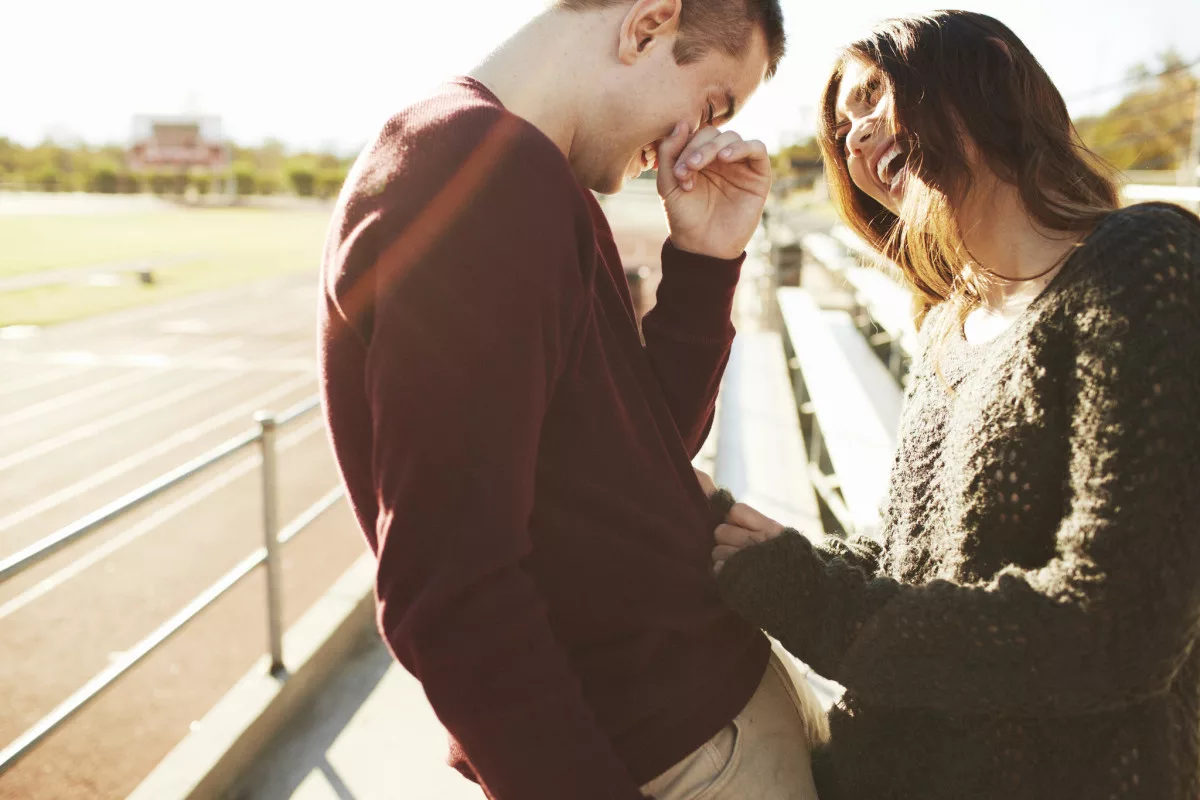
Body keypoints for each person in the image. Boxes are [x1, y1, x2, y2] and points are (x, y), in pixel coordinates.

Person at [318, 1, 825, 798]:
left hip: (698, 727)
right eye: (711, 103)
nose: (684, 145)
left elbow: (641, 454)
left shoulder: (522, 174)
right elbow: (449, 586)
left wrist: (705, 259)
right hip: (673, 752)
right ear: (648, 24)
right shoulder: (477, 172)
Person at [710, 11, 1200, 800]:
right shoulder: (946, 327)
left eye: (875, 95)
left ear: (991, 67)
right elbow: (915, 555)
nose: (858, 138)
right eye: (841, 133)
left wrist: (816, 600)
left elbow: (1119, 626)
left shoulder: (1140, 264)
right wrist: (759, 552)